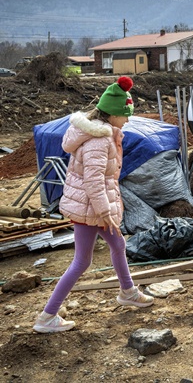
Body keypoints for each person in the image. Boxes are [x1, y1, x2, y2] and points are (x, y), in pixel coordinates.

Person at [33, 76, 154, 334]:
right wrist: (105, 211)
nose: (128, 120)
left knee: (118, 244)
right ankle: (47, 316)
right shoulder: (99, 140)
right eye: (125, 115)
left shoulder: (101, 133)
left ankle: (128, 291)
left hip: (91, 206)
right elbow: (93, 180)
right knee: (82, 261)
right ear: (112, 115)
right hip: (90, 208)